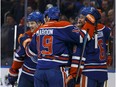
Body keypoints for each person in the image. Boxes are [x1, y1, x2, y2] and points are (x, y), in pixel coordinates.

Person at [19, 7, 98, 87]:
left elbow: (30, 52)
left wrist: (24, 41)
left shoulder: (39, 30)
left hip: (39, 72)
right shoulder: (63, 26)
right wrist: (90, 23)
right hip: (55, 71)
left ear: (47, 17)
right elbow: (83, 38)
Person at [67, 6, 112, 87]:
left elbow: (78, 56)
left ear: (89, 18)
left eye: (82, 17)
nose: (79, 20)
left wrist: (73, 75)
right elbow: (107, 34)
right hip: (102, 72)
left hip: (88, 72)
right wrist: (108, 54)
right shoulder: (104, 29)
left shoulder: (82, 34)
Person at [8, 11, 44, 87]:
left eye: (32, 23)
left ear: (40, 23)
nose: (30, 26)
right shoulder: (26, 36)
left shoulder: (48, 37)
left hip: (42, 76)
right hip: (27, 75)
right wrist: (14, 70)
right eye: (29, 23)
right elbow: (19, 56)